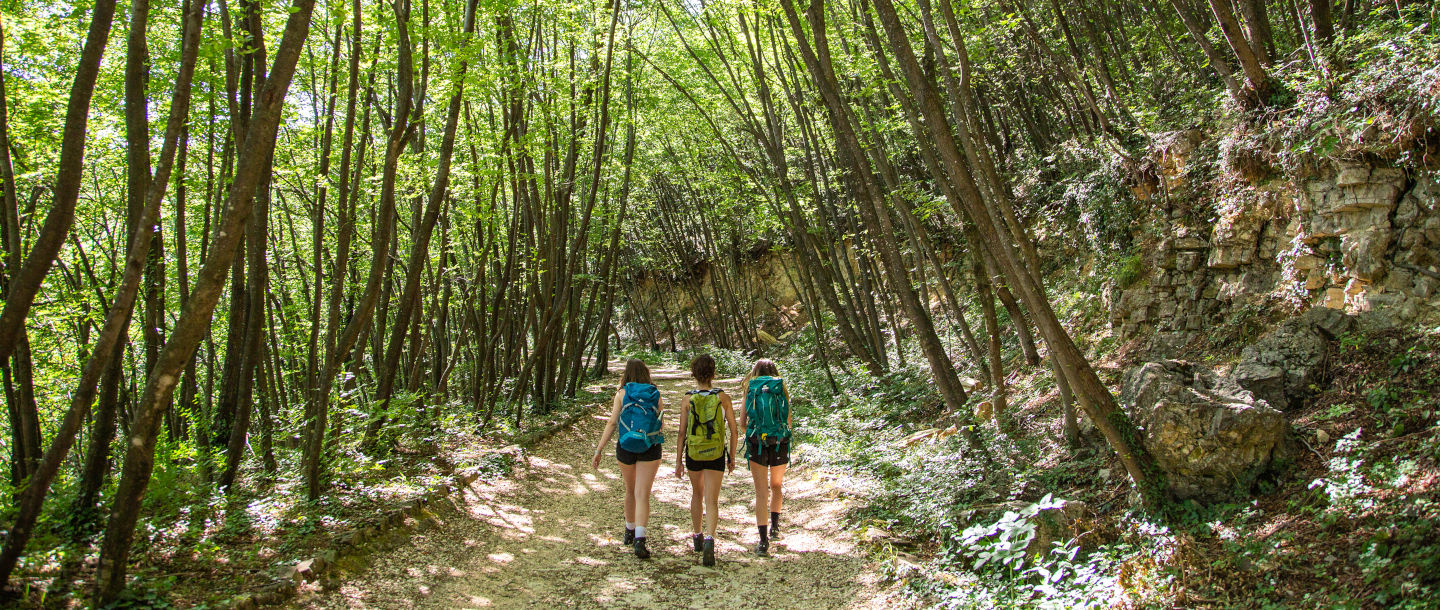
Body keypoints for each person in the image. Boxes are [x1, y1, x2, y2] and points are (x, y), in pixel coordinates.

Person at [592, 359, 665, 559]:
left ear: (626, 373)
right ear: (646, 373)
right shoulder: (654, 393)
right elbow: (660, 425)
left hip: (625, 446)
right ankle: (640, 540)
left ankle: (629, 531)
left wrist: (599, 450)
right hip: (650, 447)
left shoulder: (622, 394)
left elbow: (612, 423)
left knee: (630, 490)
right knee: (643, 494)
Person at [674, 354, 738, 566]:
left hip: (694, 453)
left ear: (693, 373)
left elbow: (682, 433)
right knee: (712, 499)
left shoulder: (687, 399)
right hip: (716, 453)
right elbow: (734, 430)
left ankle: (697, 535)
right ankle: (710, 538)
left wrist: (678, 462)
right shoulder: (723, 398)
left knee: (697, 494)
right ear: (713, 373)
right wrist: (732, 457)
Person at [737, 359, 791, 556]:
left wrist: (752, 433)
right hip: (779, 441)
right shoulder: (780, 388)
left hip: (757, 442)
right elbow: (788, 420)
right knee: (776, 485)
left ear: (754, 372)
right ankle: (775, 528)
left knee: (761, 492)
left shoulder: (751, 389)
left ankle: (762, 541)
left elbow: (742, 421)